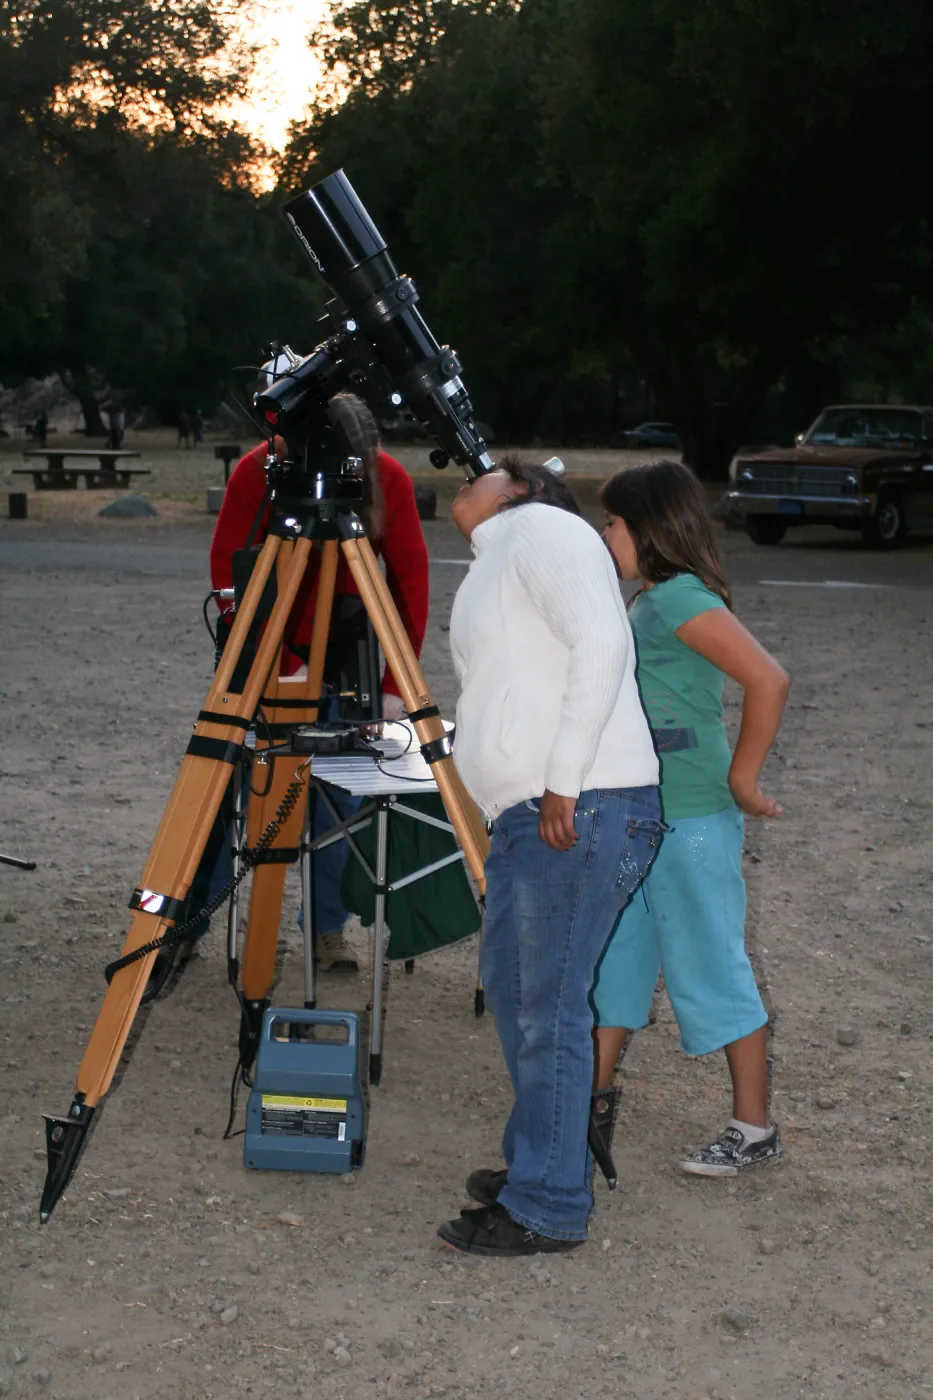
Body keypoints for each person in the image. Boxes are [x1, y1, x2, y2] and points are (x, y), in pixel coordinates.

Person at [436, 457, 662, 1258]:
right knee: (522, 996)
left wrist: (563, 780)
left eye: (488, 473)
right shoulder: (502, 553)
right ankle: (543, 1160)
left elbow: (602, 642)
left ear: (525, 490)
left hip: (575, 806)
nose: (466, 479)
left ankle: (548, 1204)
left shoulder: (542, 528)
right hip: (542, 813)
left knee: (546, 1008)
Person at [592, 460, 790, 1176]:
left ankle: (753, 1129)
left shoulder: (676, 596)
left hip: (691, 820)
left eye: (613, 522)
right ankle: (586, 1106)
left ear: (649, 527)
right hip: (645, 816)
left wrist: (742, 778)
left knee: (711, 963)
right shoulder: (654, 598)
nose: (603, 534)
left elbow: (767, 678)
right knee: (614, 961)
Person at [200, 391, 430, 972]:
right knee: (229, 787)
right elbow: (229, 570)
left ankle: (327, 926)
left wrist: (395, 682)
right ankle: (187, 920)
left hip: (346, 649)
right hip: (265, 648)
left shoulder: (387, 476)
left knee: (339, 800)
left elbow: (409, 579)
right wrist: (280, 664)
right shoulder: (260, 471)